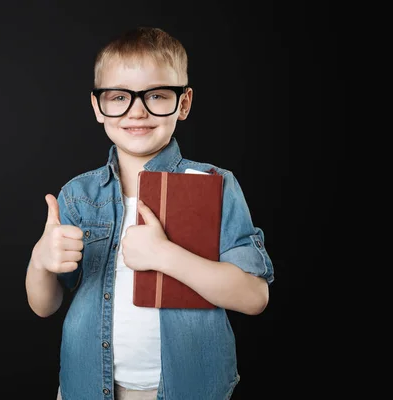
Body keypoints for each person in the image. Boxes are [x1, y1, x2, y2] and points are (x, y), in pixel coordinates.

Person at [25, 26, 275, 400]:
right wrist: (40, 261)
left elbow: (254, 297)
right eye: (119, 97)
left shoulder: (214, 185)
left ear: (184, 102)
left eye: (157, 95)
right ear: (98, 107)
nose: (137, 110)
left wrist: (164, 255)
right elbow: (44, 306)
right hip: (89, 389)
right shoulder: (78, 195)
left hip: (189, 390)